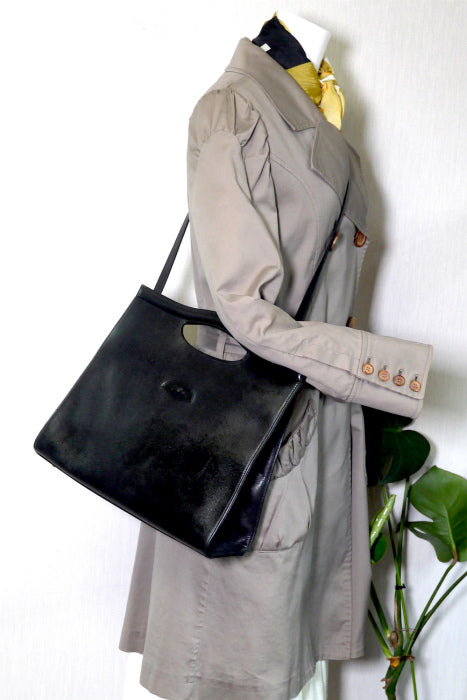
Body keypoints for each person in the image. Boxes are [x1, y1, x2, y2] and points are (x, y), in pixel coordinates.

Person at [119, 13, 433, 700]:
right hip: (251, 448)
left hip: (312, 433)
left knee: (293, 670)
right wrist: (385, 370)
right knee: (239, 671)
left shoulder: (311, 105)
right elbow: (243, 305)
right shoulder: (235, 110)